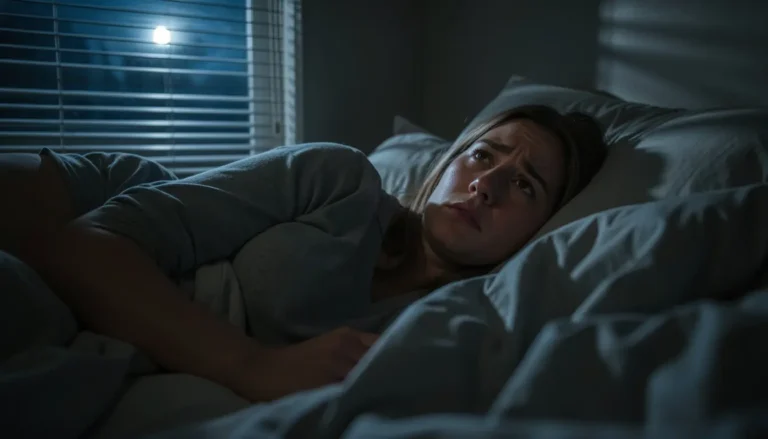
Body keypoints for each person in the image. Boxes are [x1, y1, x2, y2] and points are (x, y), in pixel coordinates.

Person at [0, 104, 606, 402]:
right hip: (119, 202)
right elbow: (85, 245)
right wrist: (253, 366)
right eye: (482, 154)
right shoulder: (345, 180)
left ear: (542, 229)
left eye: (525, 185)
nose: (487, 184)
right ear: (449, 161)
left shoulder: (462, 319)